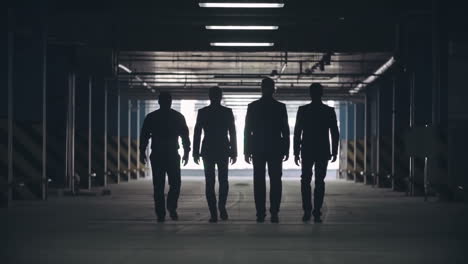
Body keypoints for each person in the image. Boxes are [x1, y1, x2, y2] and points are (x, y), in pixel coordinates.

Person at [139, 91, 190, 222]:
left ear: (159, 102)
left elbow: (144, 136)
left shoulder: (151, 117)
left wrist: (141, 152)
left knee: (158, 185)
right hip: (172, 154)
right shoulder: (178, 117)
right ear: (170, 102)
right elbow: (185, 136)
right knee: (175, 183)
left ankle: (161, 213)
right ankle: (171, 207)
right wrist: (186, 152)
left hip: (157, 155)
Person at [244, 77, 290, 223]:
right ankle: (274, 212)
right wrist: (286, 149)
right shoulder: (280, 107)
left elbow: (248, 131)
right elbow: (285, 131)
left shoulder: (253, 107)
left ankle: (260, 213)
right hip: (275, 148)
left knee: (259, 181)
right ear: (273, 88)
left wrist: (247, 150)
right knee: (276, 181)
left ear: (261, 88)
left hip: (258, 148)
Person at [294, 83, 339, 223]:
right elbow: (334, 133)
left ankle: (307, 210)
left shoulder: (303, 110)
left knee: (305, 181)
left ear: (310, 94)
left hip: (307, 150)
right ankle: (317, 212)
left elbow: (297, 133)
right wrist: (334, 151)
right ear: (322, 93)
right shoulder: (329, 111)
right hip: (322, 150)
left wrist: (296, 152)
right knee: (320, 181)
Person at [193, 86, 237, 223]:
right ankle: (221, 206)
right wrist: (234, 151)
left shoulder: (203, 112)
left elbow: (197, 133)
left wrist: (195, 152)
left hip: (208, 150)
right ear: (221, 96)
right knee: (224, 180)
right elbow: (232, 133)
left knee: (209, 182)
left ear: (209, 96)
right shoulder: (227, 112)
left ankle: (213, 213)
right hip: (223, 149)